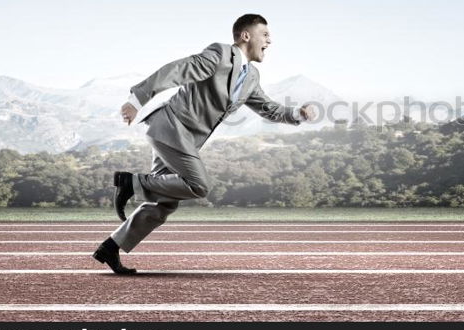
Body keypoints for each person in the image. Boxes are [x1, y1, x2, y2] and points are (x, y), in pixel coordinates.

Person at [92, 14, 315, 274]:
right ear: (246, 35)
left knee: (164, 202)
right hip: (170, 127)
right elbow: (179, 70)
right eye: (265, 34)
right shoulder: (221, 55)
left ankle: (111, 247)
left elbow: (267, 107)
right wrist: (137, 99)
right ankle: (131, 183)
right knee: (199, 185)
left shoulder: (251, 76)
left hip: (183, 139)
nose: (270, 40)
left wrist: (298, 113)